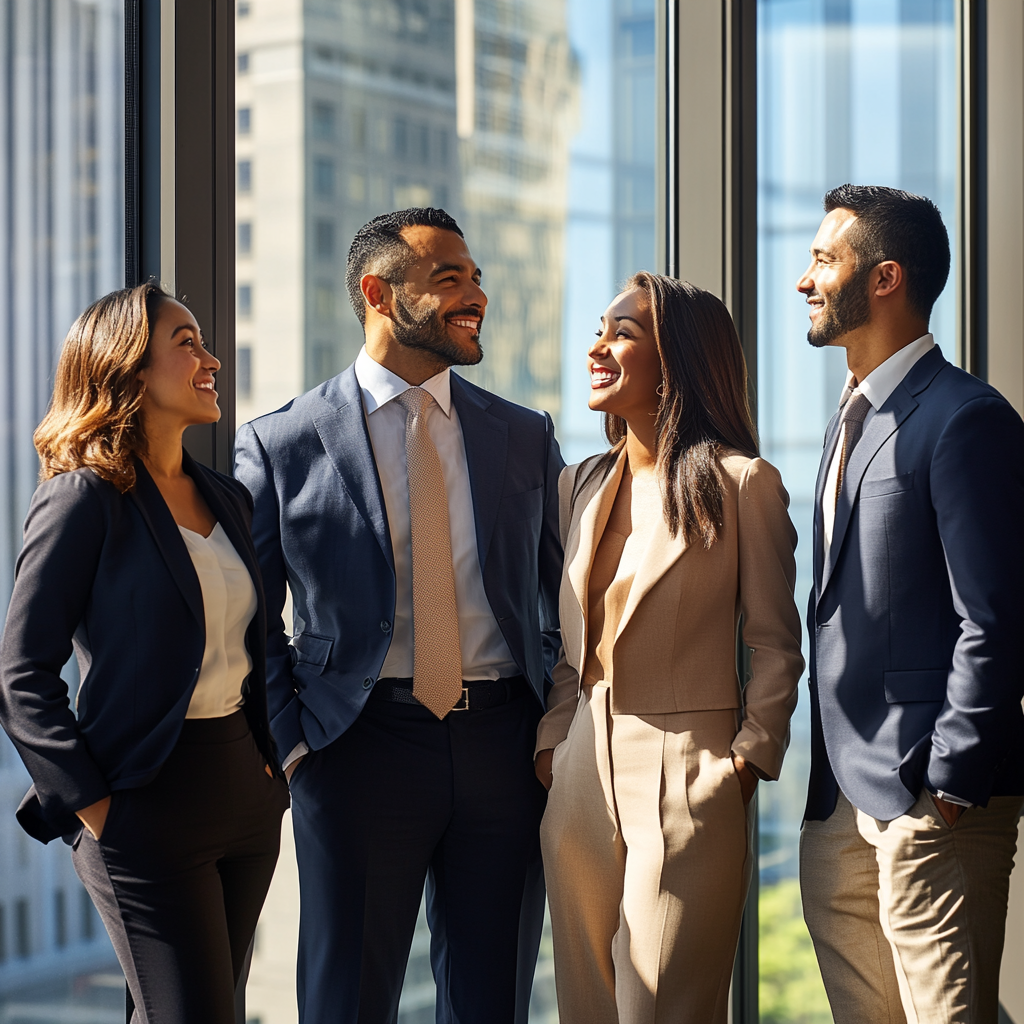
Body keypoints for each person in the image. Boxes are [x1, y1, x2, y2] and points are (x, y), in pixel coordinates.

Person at [233, 207, 563, 1024]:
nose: (475, 294)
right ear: (380, 294)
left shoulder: (525, 436)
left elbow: (570, 593)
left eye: (476, 277)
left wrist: (551, 716)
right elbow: (246, 615)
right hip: (354, 751)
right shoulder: (282, 444)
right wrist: (297, 745)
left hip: (505, 747)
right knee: (347, 1002)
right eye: (449, 278)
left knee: (491, 1004)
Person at [0, 284, 289, 1024]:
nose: (211, 358)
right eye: (187, 342)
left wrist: (272, 760)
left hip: (244, 795)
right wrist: (97, 810)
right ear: (128, 368)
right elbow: (22, 674)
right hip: (143, 802)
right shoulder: (83, 499)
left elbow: (258, 641)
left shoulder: (228, 499)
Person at [535, 272, 803, 1024]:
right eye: (599, 328)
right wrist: (555, 744)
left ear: (675, 359)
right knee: (585, 1007)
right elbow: (568, 644)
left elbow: (777, 643)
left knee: (666, 1010)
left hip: (691, 768)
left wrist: (745, 762)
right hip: (582, 768)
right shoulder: (579, 485)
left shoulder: (742, 482)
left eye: (622, 332)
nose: (597, 346)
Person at [797, 184, 1024, 1023]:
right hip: (839, 803)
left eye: (825, 259)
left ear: (885, 278)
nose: (804, 280)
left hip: (929, 800)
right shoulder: (847, 419)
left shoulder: (967, 420)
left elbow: (995, 618)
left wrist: (948, 786)